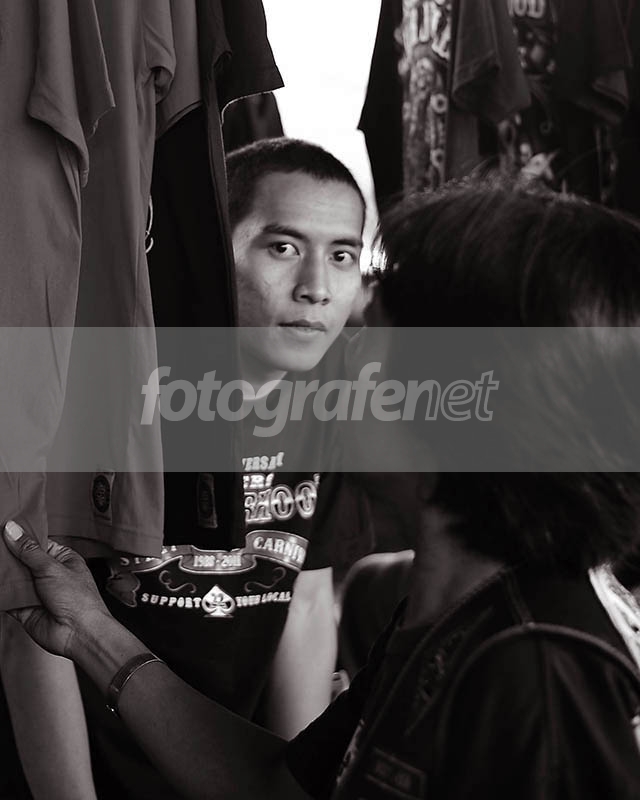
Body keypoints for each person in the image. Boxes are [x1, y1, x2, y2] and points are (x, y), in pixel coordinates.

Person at [6, 180, 640, 799]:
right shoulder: (456, 609)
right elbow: (278, 785)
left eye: (371, 342)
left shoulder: (539, 668)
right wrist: (89, 629)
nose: (344, 365)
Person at [3, 138, 370, 800]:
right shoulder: (105, 386)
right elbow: (29, 621)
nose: (317, 287)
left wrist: (291, 785)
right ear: (211, 249)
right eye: (283, 247)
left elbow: (308, 597)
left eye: (342, 255)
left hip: (227, 763)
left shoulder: (332, 398)